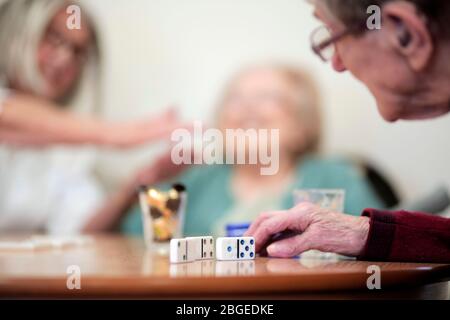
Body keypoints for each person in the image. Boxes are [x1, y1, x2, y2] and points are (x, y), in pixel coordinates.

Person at [246, 0, 450, 263]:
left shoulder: (336, 173)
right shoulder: (201, 176)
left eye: (332, 34)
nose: (337, 63)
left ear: (405, 34)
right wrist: (362, 233)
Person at [84, 65, 385, 236]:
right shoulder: (195, 181)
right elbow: (118, 243)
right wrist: (136, 185)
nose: (247, 108)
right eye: (235, 99)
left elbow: (384, 248)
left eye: (268, 97)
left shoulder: (339, 180)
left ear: (302, 126)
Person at [0, 0, 183, 234]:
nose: (64, 58)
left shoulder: (72, 144)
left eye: (77, 51)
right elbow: (7, 116)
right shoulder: (82, 133)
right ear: (18, 31)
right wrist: (119, 135)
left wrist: (135, 187)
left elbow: (76, 230)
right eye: (53, 37)